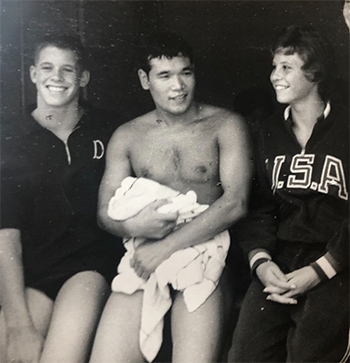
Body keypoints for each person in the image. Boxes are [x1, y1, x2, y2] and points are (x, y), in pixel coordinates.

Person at [89, 32, 252, 363]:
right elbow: (105, 213)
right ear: (144, 80)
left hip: (207, 252)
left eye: (186, 72)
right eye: (164, 75)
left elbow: (236, 203)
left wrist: (165, 247)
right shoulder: (128, 136)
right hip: (144, 252)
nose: (178, 86)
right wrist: (135, 224)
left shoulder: (225, 124)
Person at [0, 34, 123, 362]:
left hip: (90, 267)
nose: (57, 77)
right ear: (33, 74)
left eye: (68, 70)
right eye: (47, 67)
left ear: (83, 78)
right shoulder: (10, 139)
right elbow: (5, 236)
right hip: (35, 272)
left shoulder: (110, 129)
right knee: (13, 349)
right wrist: (17, 326)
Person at [230, 25, 349, 362]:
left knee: (309, 353)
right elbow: (259, 208)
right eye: (274, 67)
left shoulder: (347, 128)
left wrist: (322, 269)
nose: (274, 76)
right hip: (280, 263)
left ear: (314, 73)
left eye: (287, 68)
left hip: (337, 262)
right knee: (244, 354)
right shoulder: (266, 132)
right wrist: (262, 262)